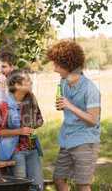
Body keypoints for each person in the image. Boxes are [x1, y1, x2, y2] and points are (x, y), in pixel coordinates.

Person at [47, 40, 101, 191]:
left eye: (57, 65)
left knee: (83, 185)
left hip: (85, 141)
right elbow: (65, 106)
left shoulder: (90, 89)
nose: (55, 69)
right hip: (67, 139)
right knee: (58, 179)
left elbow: (93, 119)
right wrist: (64, 105)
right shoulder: (64, 82)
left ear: (68, 65)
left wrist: (70, 106)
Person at [0, 69, 44, 190]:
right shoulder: (5, 105)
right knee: (21, 186)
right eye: (27, 80)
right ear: (17, 85)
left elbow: (40, 119)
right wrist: (20, 131)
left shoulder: (31, 99)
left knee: (37, 186)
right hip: (15, 151)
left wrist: (34, 124)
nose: (30, 82)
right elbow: (0, 132)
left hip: (32, 149)